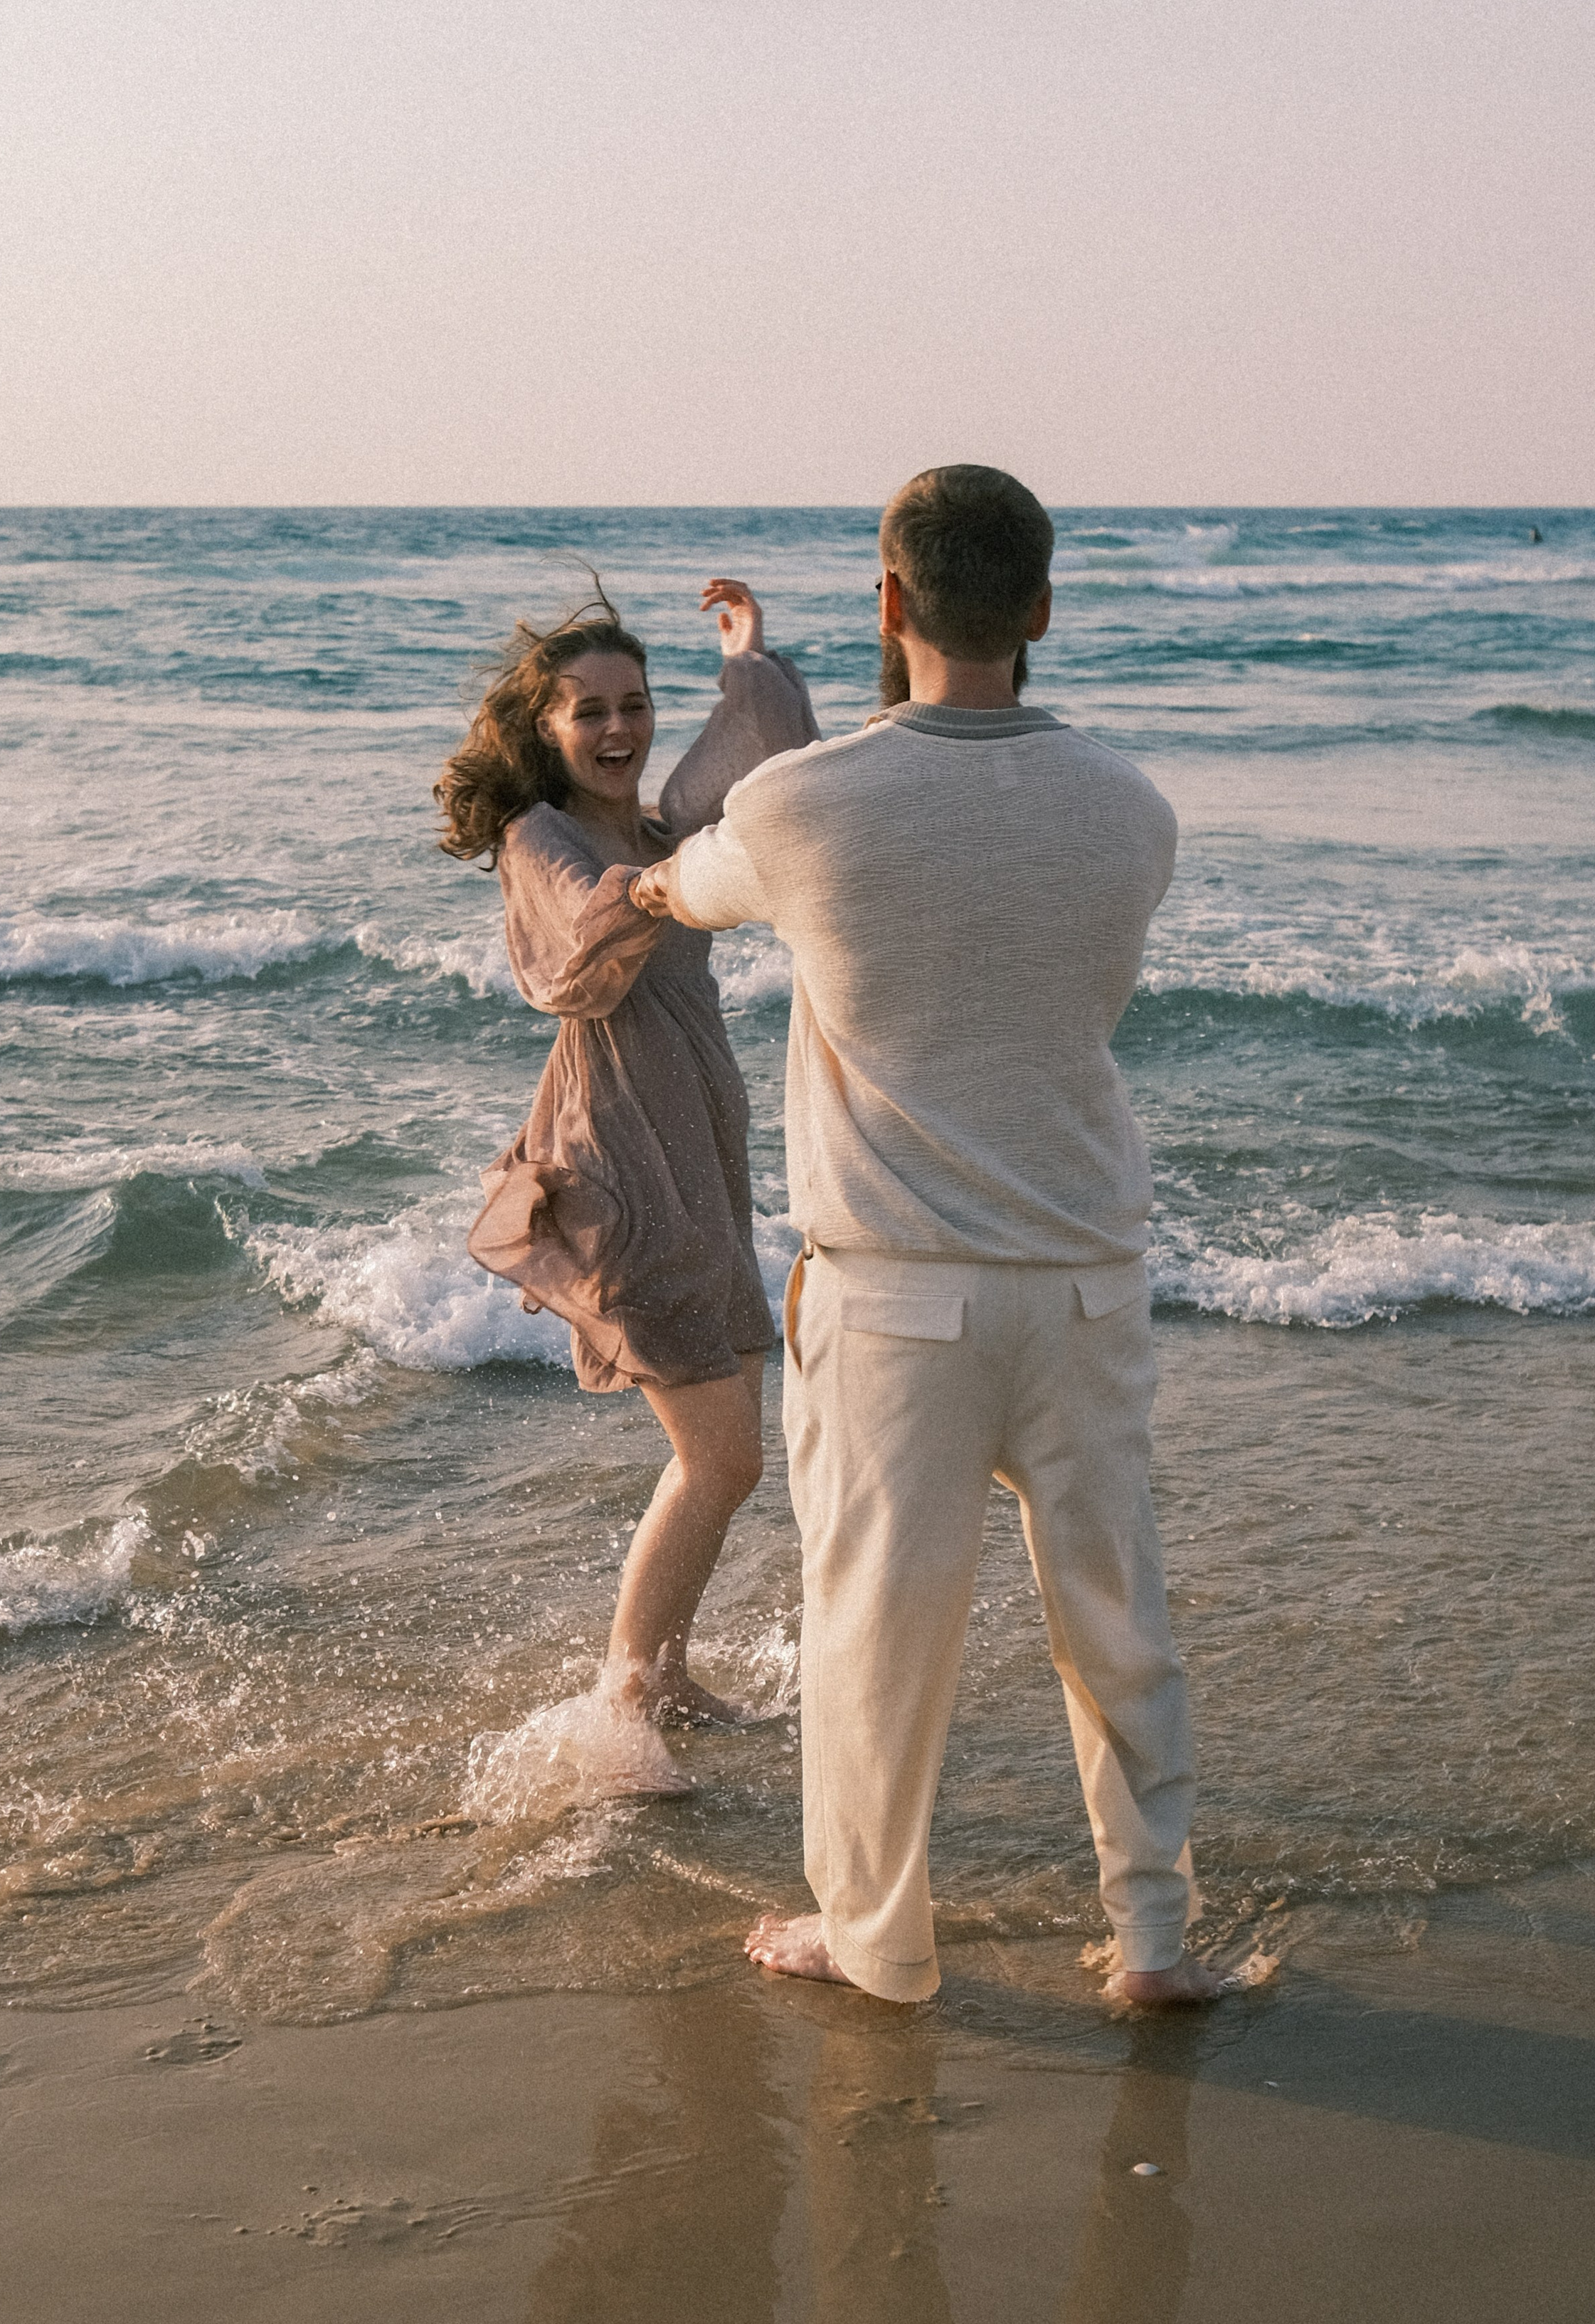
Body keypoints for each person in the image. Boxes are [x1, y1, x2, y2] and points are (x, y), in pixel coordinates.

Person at [633, 468, 1221, 2004]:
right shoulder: (1132, 809)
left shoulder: (799, 805)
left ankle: (877, 1942)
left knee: (875, 1640)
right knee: (1118, 1624)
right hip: (1085, 1283)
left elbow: (681, 886)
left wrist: (649, 855)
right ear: (1041, 609)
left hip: (895, 1298)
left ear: (889, 603)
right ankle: (1153, 1938)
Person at [435, 578, 818, 1736]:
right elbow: (575, 946)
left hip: (700, 1165)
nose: (619, 729)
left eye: (636, 706)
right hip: (621, 1171)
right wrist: (660, 887)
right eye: (590, 711)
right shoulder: (542, 837)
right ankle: (627, 1699)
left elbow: (771, 767)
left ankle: (663, 1677)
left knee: (728, 1454)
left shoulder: (658, 833)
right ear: (545, 729)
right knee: (722, 1458)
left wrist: (744, 656)